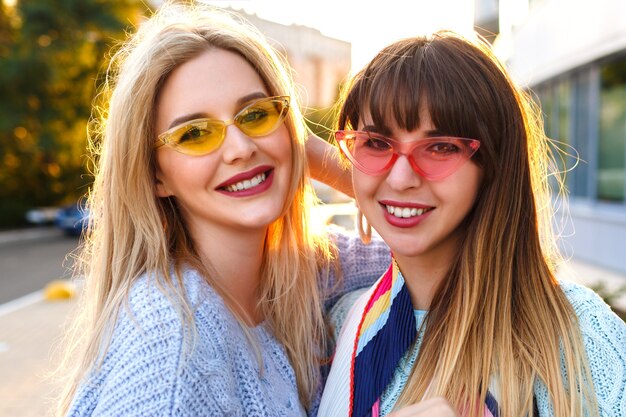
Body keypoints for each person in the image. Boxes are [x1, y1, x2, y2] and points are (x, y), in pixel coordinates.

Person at [55, 3, 389, 416]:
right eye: (195, 133)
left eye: (256, 114)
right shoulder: (170, 340)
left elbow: (457, 240)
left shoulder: (302, 271)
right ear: (155, 176)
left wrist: (317, 159)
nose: (240, 148)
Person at [317, 32, 626, 417]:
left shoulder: (572, 334)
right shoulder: (344, 321)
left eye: (441, 147)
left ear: (494, 166)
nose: (400, 178)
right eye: (376, 143)